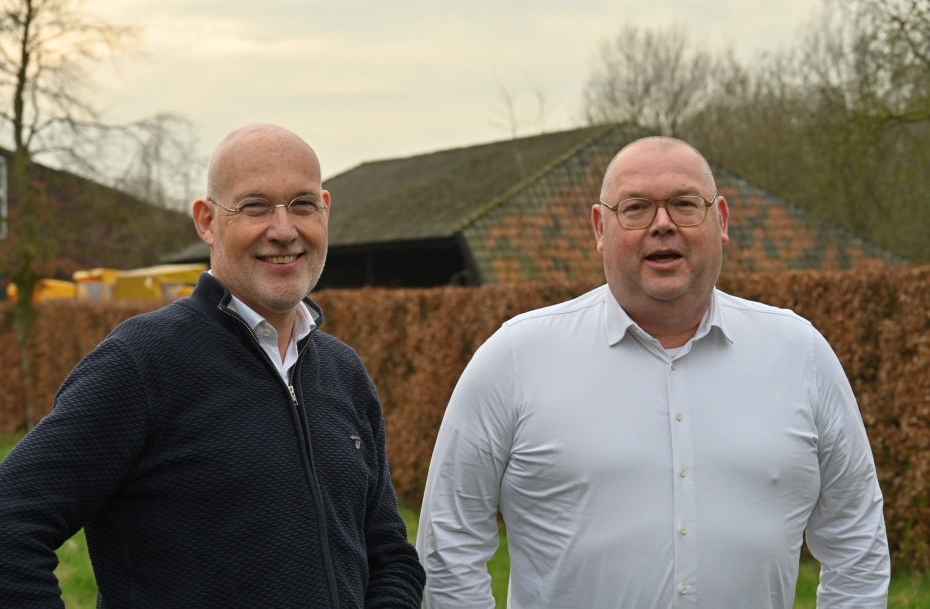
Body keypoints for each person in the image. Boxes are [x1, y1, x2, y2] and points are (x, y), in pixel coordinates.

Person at [417, 136, 889, 608]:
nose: (662, 225)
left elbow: (857, 540)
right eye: (636, 208)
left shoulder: (799, 353)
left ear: (720, 220)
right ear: (601, 227)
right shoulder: (515, 358)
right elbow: (448, 542)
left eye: (684, 204)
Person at [0, 124, 425, 608]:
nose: (284, 229)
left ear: (325, 210)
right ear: (206, 221)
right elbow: (10, 526)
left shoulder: (344, 373)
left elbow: (389, 555)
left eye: (303, 204)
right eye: (255, 206)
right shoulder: (142, 363)